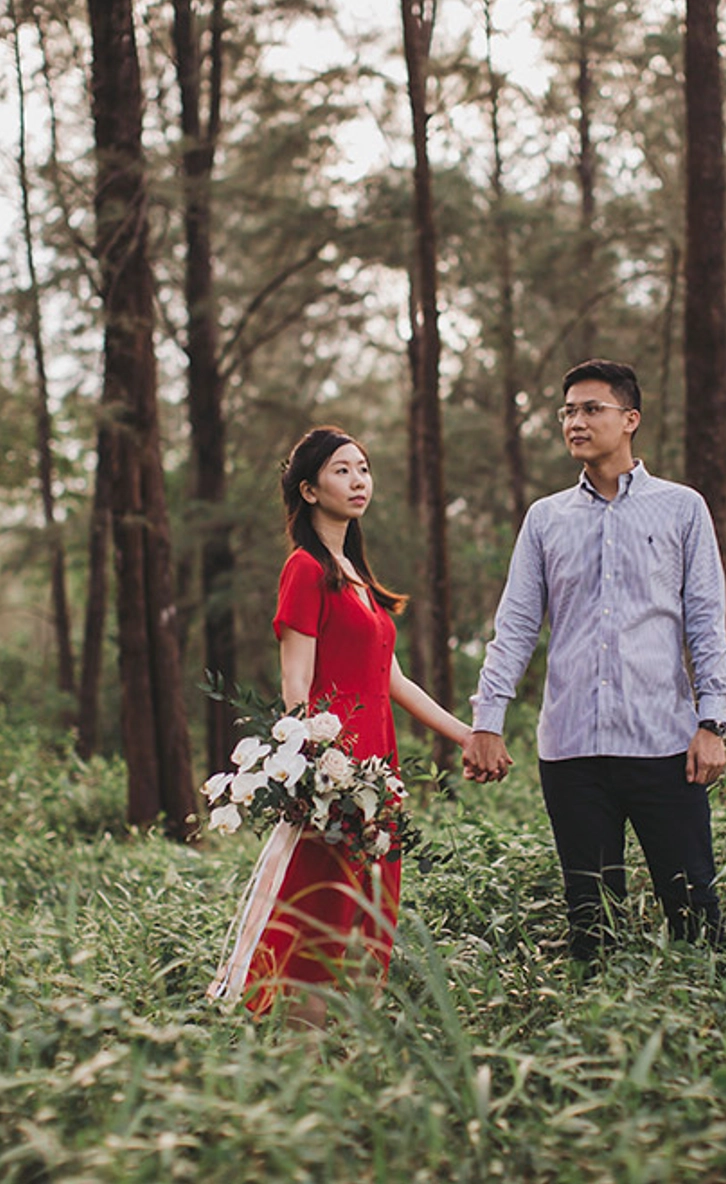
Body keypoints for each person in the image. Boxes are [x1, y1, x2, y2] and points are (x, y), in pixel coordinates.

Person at [462, 359, 726, 966]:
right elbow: (514, 627)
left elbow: (705, 624)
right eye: (568, 412)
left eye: (591, 409)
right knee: (593, 928)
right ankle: (602, 1052)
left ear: (630, 420)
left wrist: (712, 721)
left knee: (695, 916)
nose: (576, 422)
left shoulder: (682, 509)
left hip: (665, 747)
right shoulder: (546, 519)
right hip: (573, 755)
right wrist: (487, 720)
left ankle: (706, 1035)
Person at [209, 425, 471, 1027]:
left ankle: (351, 1054)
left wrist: (466, 734)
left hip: (379, 775)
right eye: (341, 470)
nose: (358, 481)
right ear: (308, 490)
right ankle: (299, 1051)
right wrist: (314, 782)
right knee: (320, 915)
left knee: (370, 913)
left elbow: (393, 682)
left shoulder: (357, 577)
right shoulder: (305, 570)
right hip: (335, 780)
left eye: (364, 469)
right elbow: (295, 685)